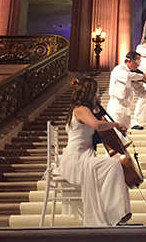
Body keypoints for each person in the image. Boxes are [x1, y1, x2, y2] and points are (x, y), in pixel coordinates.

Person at [58, 78, 132, 226]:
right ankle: (114, 213)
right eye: (96, 92)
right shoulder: (81, 109)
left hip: (83, 155)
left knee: (112, 167)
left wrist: (96, 108)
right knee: (113, 166)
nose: (97, 94)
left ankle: (112, 213)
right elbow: (97, 125)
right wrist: (116, 124)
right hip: (77, 159)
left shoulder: (84, 109)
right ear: (90, 92)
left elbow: (95, 121)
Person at [107, 51, 146, 129]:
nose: (138, 65)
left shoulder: (134, 75)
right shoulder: (118, 69)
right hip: (116, 106)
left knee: (125, 135)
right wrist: (142, 76)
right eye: (137, 62)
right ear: (129, 61)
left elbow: (141, 93)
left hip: (126, 108)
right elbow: (127, 76)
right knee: (116, 132)